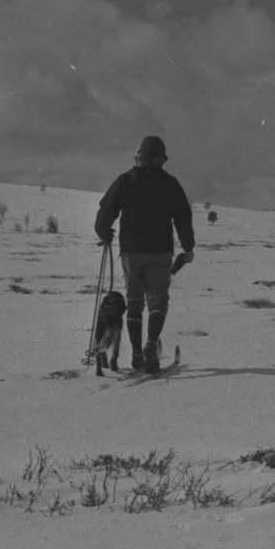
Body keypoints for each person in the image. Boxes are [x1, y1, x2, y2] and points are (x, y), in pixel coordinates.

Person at [95, 136, 195, 373]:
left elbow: (106, 208)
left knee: (134, 303)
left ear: (139, 156)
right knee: (158, 301)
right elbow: (183, 217)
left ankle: (138, 354)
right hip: (160, 251)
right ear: (159, 159)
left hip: (131, 251)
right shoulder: (170, 183)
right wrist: (188, 247)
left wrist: (103, 232)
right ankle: (151, 345)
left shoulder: (125, 180)